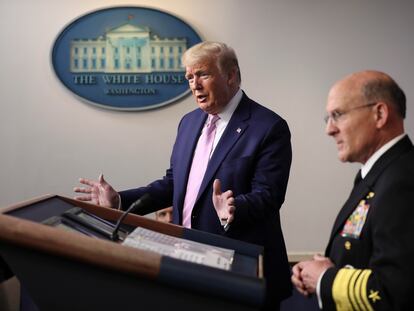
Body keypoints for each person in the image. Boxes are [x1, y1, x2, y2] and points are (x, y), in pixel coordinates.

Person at [74, 41, 292, 309]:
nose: (194, 85)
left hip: (241, 272)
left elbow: (269, 195)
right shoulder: (189, 123)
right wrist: (120, 200)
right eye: (189, 77)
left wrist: (235, 208)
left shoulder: (268, 127)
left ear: (231, 75)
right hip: (187, 265)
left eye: (203, 74)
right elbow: (174, 183)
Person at [291, 70, 414, 310]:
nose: (330, 129)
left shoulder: (402, 181)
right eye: (327, 118)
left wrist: (325, 279)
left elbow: (396, 290)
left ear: (379, 114)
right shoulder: (380, 173)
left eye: (337, 115)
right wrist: (320, 269)